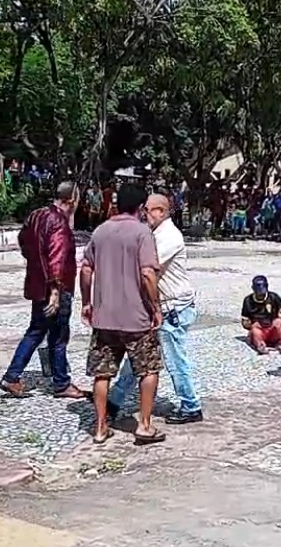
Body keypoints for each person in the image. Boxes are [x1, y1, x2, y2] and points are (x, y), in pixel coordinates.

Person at [79, 184, 166, 445]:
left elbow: (85, 270)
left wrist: (86, 302)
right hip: (136, 317)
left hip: (104, 317)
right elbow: (148, 273)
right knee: (148, 369)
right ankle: (145, 426)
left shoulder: (100, 231)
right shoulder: (142, 233)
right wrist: (156, 307)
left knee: (102, 373)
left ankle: (100, 427)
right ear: (140, 208)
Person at [108, 194, 203, 425]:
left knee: (174, 360)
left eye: (148, 210)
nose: (144, 214)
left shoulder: (168, 236)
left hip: (173, 308)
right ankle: (114, 401)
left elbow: (148, 267)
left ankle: (191, 405)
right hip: (160, 306)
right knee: (137, 357)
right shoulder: (155, 234)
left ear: (161, 211)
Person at [0, 182, 87, 399]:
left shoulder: (37, 215)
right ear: (70, 200)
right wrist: (55, 292)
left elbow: (23, 240)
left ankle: (16, 377)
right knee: (56, 336)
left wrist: (36, 264)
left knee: (38, 331)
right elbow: (56, 258)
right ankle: (58, 382)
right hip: (56, 287)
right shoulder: (59, 223)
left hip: (37, 283)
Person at [241, 276, 281, 355]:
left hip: (272, 327)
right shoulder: (248, 301)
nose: (261, 296)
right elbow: (244, 321)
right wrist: (251, 325)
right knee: (255, 328)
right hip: (259, 330)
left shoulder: (273, 297)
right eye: (259, 294)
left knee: (278, 322)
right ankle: (260, 345)